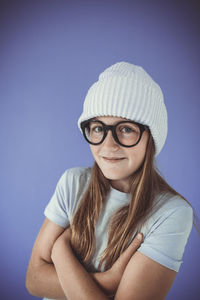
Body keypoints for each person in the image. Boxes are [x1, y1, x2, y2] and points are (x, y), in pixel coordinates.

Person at [26, 62, 193, 300]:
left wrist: (60, 250)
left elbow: (43, 274)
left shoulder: (171, 213)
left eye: (125, 129)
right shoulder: (73, 183)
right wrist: (107, 282)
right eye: (97, 128)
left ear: (151, 138)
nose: (108, 145)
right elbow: (33, 280)